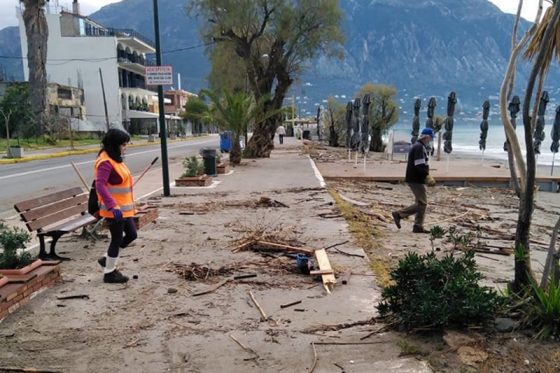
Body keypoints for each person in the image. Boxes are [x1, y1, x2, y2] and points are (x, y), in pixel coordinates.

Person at [95, 129, 137, 283]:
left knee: (132, 234)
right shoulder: (105, 162)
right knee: (116, 239)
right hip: (115, 210)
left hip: (124, 209)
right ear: (114, 145)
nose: (126, 147)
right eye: (123, 144)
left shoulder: (115, 159)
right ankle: (109, 273)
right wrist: (112, 206)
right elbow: (100, 185)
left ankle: (107, 259)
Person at [392, 127, 435, 234]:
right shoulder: (419, 147)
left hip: (415, 178)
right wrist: (427, 176)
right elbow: (419, 165)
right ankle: (399, 214)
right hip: (416, 179)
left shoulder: (419, 146)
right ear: (427, 137)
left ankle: (418, 226)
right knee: (422, 203)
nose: (431, 140)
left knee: (419, 202)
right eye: (430, 138)